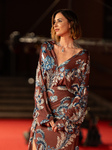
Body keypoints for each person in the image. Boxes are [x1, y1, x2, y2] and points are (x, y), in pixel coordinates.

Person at [28, 9, 90, 150]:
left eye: (60, 21)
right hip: (45, 116)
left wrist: (65, 120)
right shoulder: (47, 48)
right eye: (54, 22)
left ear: (71, 24)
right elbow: (40, 84)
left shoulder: (82, 56)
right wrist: (45, 116)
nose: (55, 25)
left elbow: (82, 92)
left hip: (67, 119)